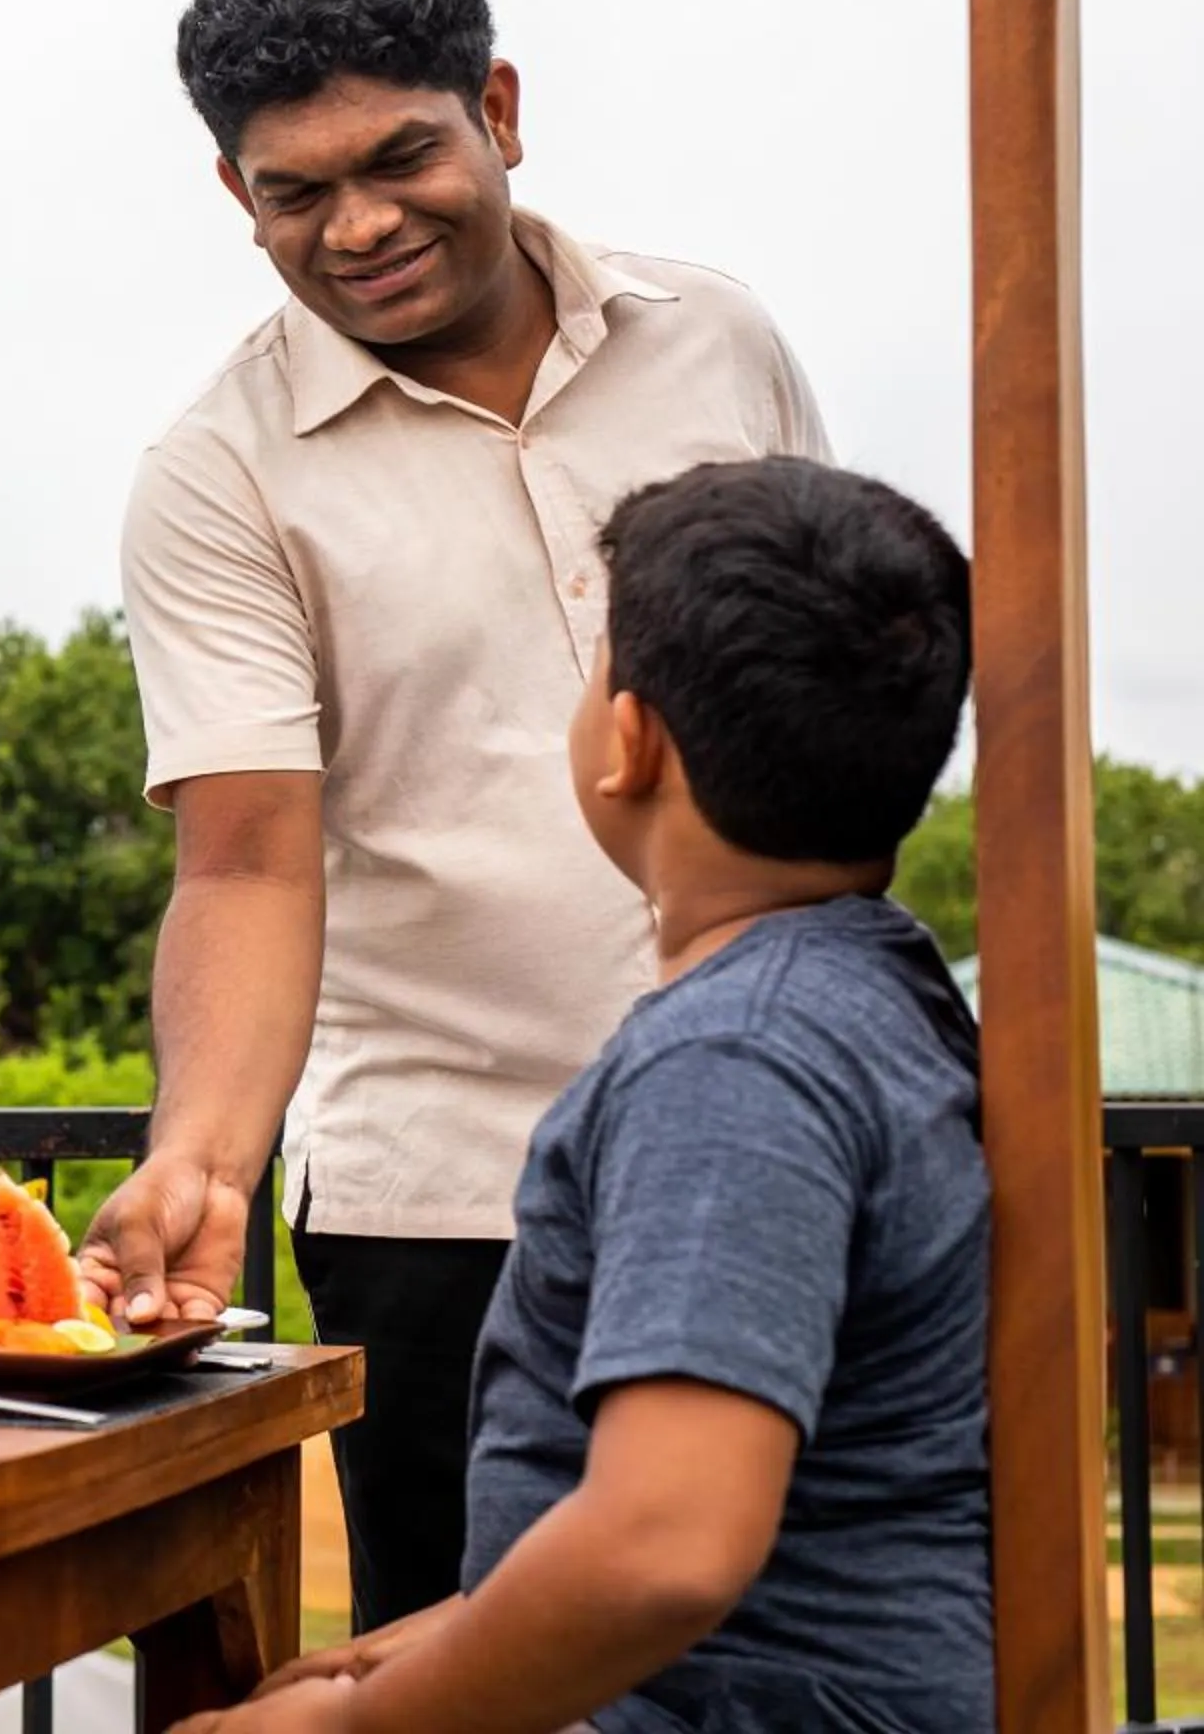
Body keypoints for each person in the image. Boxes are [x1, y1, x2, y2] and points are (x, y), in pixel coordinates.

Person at [81, 0, 832, 1630]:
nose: (357, 226)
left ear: (497, 105)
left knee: (804, 1657)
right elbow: (249, 859)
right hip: (444, 1206)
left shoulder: (721, 341)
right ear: (235, 197)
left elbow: (826, 712)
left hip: (782, 1144)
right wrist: (201, 1158)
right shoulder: (216, 477)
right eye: (292, 191)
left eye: (401, 154)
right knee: (474, 1663)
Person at [178, 455, 990, 1733]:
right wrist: (394, 1657)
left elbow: (664, 1545)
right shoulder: (874, 989)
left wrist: (356, 1729)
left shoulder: (732, 1066)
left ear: (630, 739)